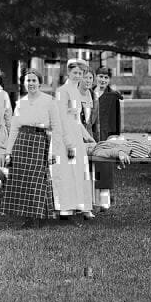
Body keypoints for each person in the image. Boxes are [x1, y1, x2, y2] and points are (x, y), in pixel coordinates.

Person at [2, 69, 73, 228]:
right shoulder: (20, 103)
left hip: (40, 142)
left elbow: (56, 127)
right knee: (23, 180)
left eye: (34, 80)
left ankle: (40, 217)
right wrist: (8, 152)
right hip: (22, 143)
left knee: (38, 181)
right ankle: (27, 218)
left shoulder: (49, 101)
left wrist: (53, 151)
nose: (31, 84)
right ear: (24, 83)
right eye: (28, 81)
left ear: (39, 83)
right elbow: (14, 128)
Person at [51, 60, 96, 222]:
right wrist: (69, 144)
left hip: (76, 135)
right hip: (64, 137)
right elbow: (62, 119)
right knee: (66, 174)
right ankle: (64, 210)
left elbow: (77, 119)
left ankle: (81, 207)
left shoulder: (75, 91)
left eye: (80, 73)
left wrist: (87, 136)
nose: (78, 76)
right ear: (68, 73)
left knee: (80, 173)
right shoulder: (62, 91)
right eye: (75, 73)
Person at [92, 66, 123, 210]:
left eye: (106, 77)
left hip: (106, 134)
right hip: (91, 134)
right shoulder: (89, 93)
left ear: (109, 79)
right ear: (96, 77)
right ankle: (93, 200)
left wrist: (114, 137)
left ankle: (105, 200)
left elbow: (116, 119)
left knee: (104, 166)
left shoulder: (113, 96)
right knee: (92, 167)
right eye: (100, 76)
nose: (102, 80)